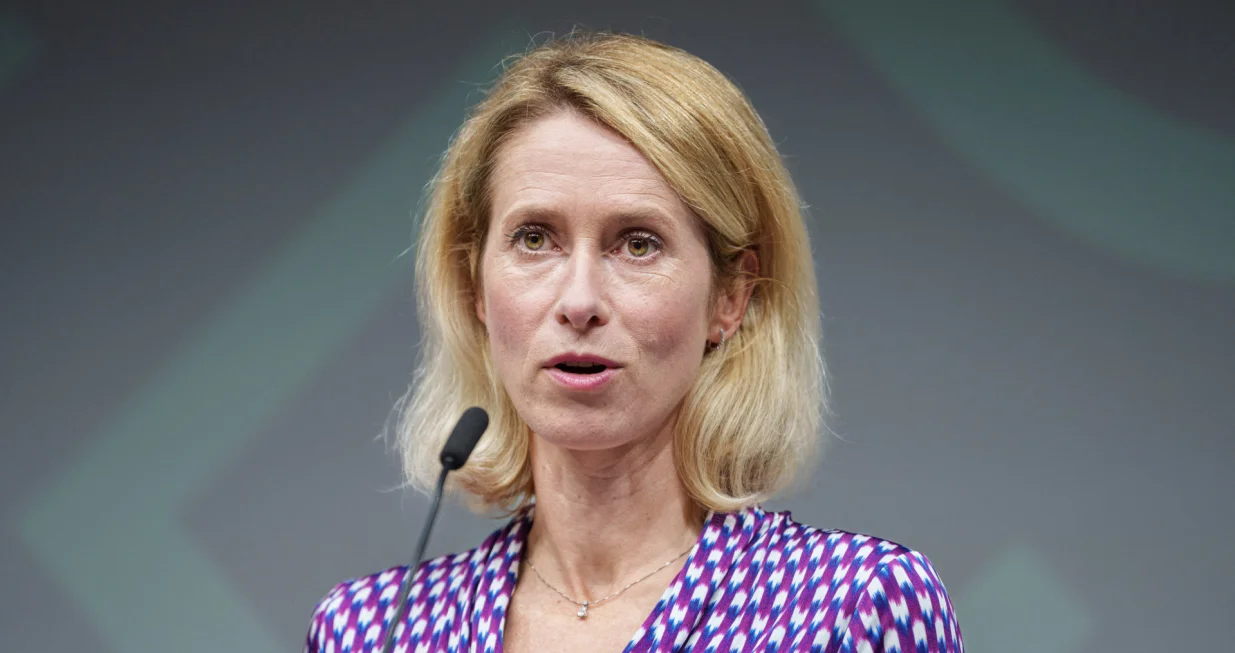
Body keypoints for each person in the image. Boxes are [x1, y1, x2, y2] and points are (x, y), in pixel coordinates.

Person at [305, 31, 963, 653]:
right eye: (535, 238)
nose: (579, 301)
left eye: (637, 243)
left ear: (730, 297)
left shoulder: (851, 607)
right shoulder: (370, 630)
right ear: (473, 285)